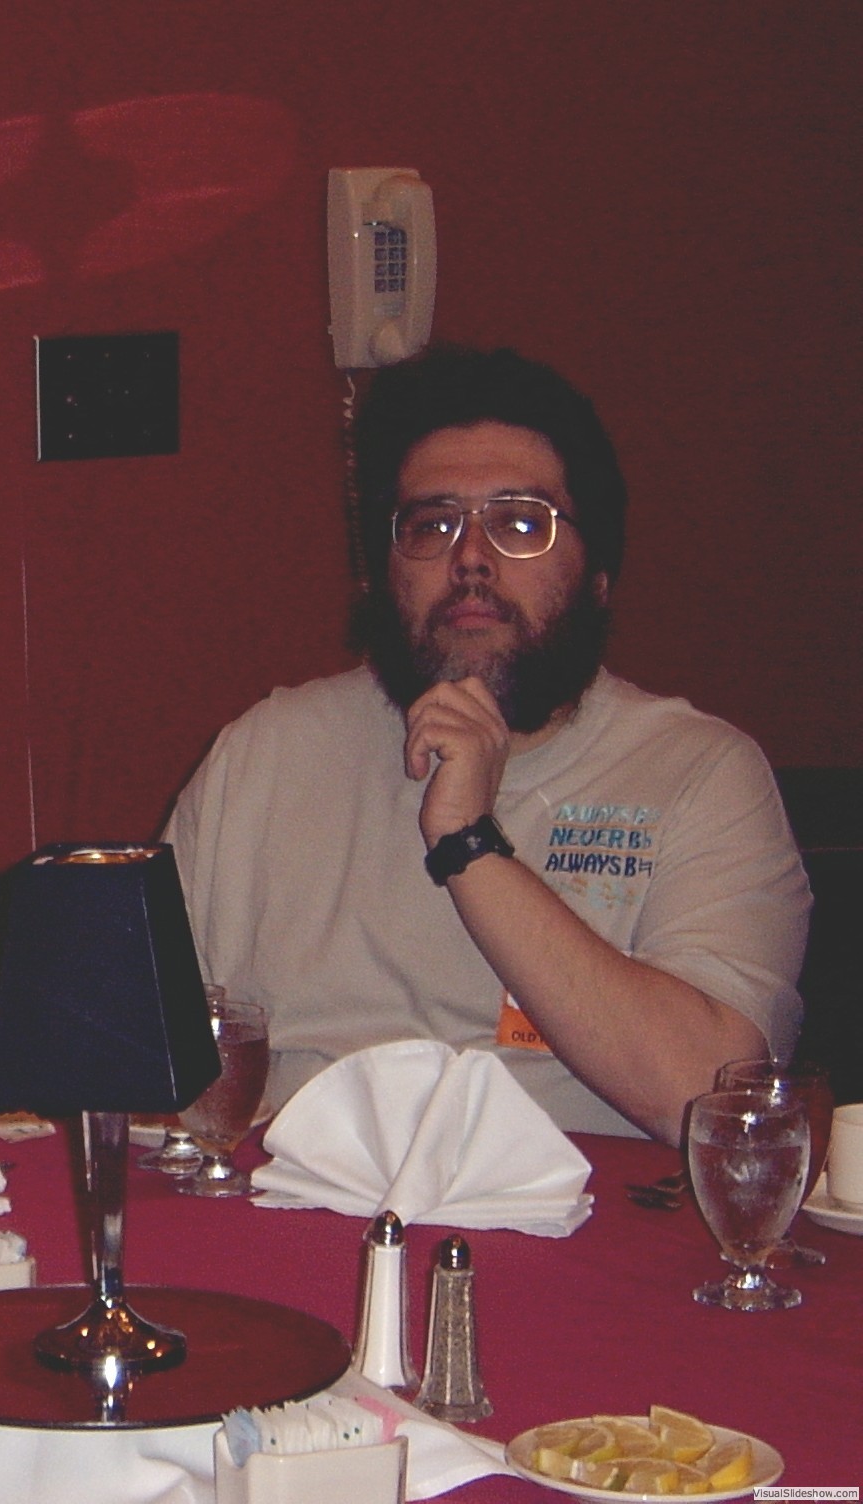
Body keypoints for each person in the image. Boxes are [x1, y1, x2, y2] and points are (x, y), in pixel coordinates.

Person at [167, 346, 810, 1144]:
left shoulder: (700, 772)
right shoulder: (264, 756)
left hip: (583, 1242)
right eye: (432, 525)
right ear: (383, 574)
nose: (471, 559)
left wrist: (470, 844)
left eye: (520, 522)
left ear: (600, 573)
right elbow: (131, 1061)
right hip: (296, 1230)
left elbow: (703, 1100)